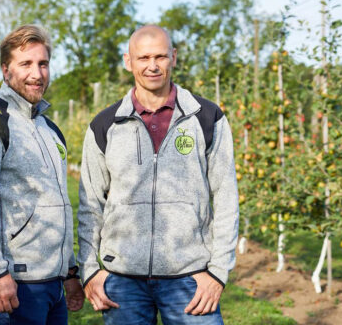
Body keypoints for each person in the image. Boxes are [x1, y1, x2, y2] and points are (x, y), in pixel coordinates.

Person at [77, 25, 239, 324]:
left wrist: (217, 271)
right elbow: (89, 204)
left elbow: (227, 196)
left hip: (191, 278)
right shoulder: (105, 125)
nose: (152, 66)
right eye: (144, 57)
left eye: (161, 56)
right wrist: (89, 271)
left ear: (173, 57)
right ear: (129, 61)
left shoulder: (206, 117)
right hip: (122, 281)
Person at [0, 24, 85, 324]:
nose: (37, 74)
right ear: (5, 69)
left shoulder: (50, 129)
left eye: (43, 64)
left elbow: (57, 202)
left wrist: (69, 271)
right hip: (13, 283)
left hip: (52, 285)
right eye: (25, 64)